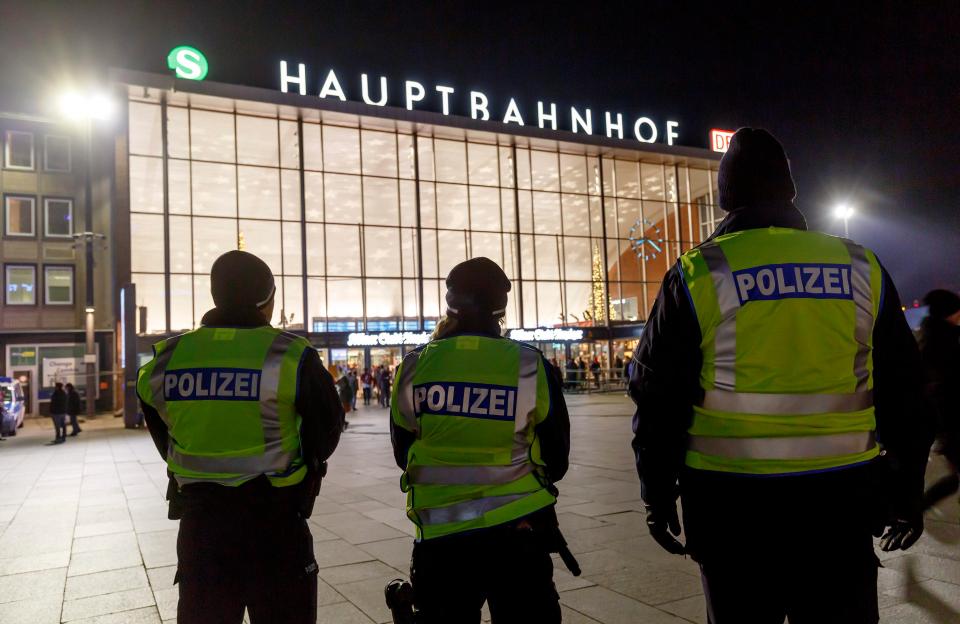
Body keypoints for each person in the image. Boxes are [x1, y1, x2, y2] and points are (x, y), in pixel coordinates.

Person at [629, 128, 934, 624]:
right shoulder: (860, 266)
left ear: (726, 197)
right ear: (790, 190)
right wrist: (907, 492)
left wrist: (657, 497)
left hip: (732, 510)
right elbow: (907, 393)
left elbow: (656, 398)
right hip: (842, 504)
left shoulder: (697, 272)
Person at [137, 250, 344, 624]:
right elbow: (328, 429)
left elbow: (163, 434)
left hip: (202, 529)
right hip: (276, 525)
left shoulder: (166, 360)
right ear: (268, 301)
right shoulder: (290, 355)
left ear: (215, 295)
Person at [389, 257, 571, 623]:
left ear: (449, 304)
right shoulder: (529, 365)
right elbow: (557, 458)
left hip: (441, 540)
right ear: (500, 311)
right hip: (519, 535)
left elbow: (403, 452)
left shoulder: (414, 366)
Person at [918, 289, 960, 511]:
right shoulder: (948, 340)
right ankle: (914, 508)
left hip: (945, 419)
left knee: (955, 479)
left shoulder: (932, 335)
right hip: (952, 418)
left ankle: (915, 507)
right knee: (954, 480)